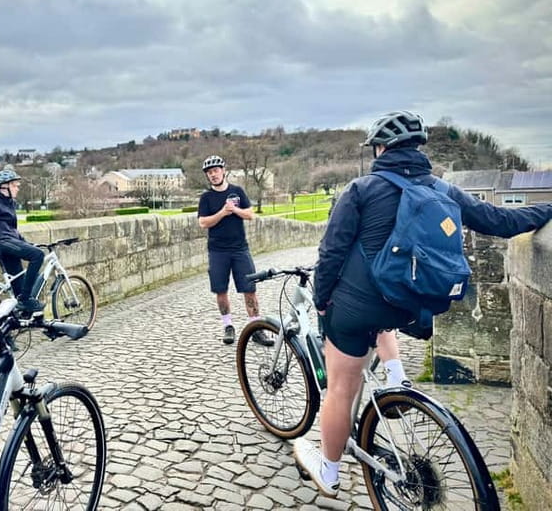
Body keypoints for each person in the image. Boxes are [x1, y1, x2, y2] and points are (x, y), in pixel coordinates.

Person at [294, 111, 552, 498]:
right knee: (382, 318)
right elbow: (499, 221)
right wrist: (548, 210)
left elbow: (330, 253)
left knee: (341, 389)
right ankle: (396, 377)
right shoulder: (443, 189)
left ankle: (328, 470)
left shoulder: (361, 190)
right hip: (408, 305)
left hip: (355, 309)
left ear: (381, 149)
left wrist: (321, 302)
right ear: (418, 148)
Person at [197, 155, 270, 346]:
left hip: (240, 249)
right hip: (217, 251)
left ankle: (256, 328)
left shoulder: (237, 191)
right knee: (220, 290)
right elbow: (203, 222)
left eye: (216, 170)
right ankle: (228, 326)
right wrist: (222, 213)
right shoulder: (206, 198)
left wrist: (235, 210)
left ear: (223, 171)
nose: (213, 175)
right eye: (209, 172)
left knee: (250, 289)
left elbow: (250, 214)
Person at [0, 168, 45, 314]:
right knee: (38, 255)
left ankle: (17, 318)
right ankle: (26, 300)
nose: (18, 188)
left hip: (10, 241)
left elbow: (11, 229)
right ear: (5, 186)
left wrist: (25, 244)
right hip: (1, 241)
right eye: (15, 185)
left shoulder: (9, 202)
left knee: (19, 286)